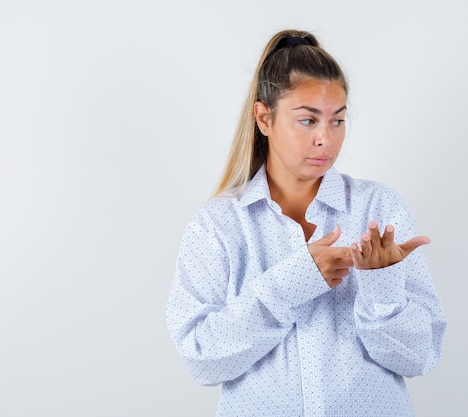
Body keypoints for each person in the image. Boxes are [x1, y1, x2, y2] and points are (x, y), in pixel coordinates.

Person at [166, 29, 446, 417]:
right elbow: (201, 358)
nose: (325, 140)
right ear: (264, 118)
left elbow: (420, 358)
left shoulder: (379, 208)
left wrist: (382, 289)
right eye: (308, 120)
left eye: (337, 121)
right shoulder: (218, 225)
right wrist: (293, 281)